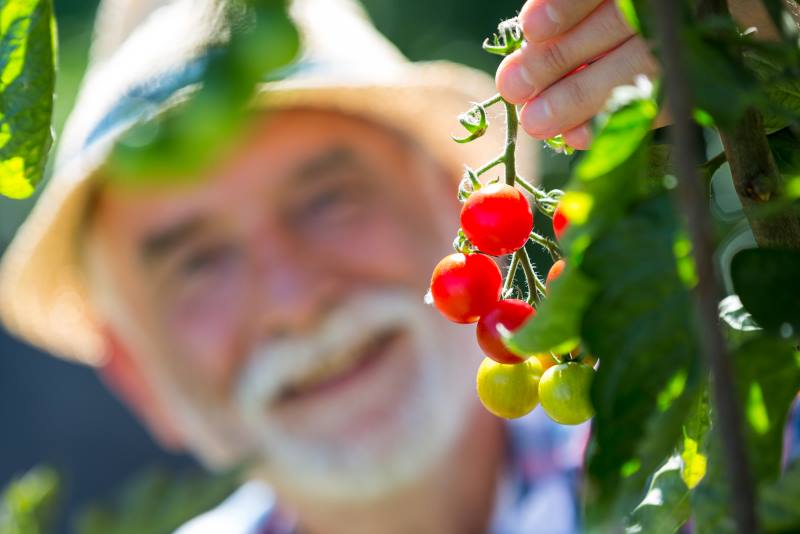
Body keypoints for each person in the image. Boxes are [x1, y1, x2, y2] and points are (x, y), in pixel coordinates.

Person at [0, 0, 792, 533]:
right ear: (138, 376)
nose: (294, 298)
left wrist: (778, 64)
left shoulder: (744, 453)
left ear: (459, 204)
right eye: (197, 263)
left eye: (330, 202)